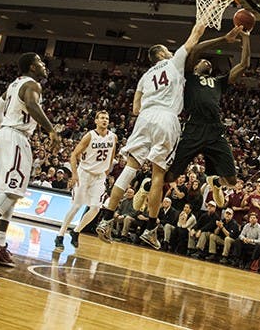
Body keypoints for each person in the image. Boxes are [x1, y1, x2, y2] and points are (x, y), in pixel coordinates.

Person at [95, 22, 206, 249]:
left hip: (144, 118)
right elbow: (195, 36)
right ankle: (151, 228)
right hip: (166, 118)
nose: (170, 52)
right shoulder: (173, 62)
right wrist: (204, 18)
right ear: (162, 54)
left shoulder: (145, 76)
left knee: (129, 169)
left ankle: (106, 218)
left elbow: (135, 108)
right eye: (167, 50)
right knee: (158, 175)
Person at [0, 53, 61, 267]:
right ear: (32, 67)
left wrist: (5, 129)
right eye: (40, 62)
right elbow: (32, 105)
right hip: (15, 137)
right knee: (13, 190)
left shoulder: (13, 85)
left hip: (5, 136)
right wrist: (51, 130)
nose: (44, 65)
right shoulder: (32, 84)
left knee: (11, 192)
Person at [164, 24, 250, 207]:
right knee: (170, 176)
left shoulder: (219, 82)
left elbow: (244, 65)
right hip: (194, 127)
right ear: (195, 67)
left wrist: (246, 37)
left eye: (209, 62)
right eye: (202, 61)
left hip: (215, 130)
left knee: (232, 181)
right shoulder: (189, 76)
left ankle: (215, 183)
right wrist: (224, 39)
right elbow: (196, 49)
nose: (206, 61)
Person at [55, 110, 117, 250]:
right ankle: (60, 235)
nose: (105, 120)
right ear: (96, 121)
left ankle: (76, 231)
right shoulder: (89, 136)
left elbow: (112, 154)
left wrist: (107, 170)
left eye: (107, 118)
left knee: (95, 208)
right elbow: (73, 155)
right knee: (76, 206)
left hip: (99, 176)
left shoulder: (113, 137)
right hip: (84, 174)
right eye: (102, 118)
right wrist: (74, 174)